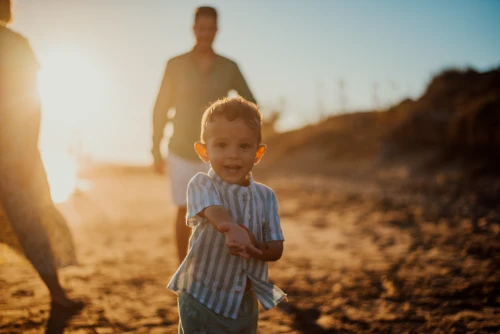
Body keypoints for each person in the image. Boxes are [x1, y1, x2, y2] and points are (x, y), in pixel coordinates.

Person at [167, 97, 285, 334]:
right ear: (204, 152)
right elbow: (214, 211)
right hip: (201, 298)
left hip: (243, 301)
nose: (233, 155)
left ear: (258, 153)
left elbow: (276, 248)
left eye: (244, 146)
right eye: (221, 145)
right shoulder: (202, 184)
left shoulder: (266, 197)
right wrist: (232, 228)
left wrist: (256, 245)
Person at [0, 0, 83, 330]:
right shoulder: (17, 43)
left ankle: (58, 296)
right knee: (31, 224)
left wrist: (24, 152)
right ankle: (58, 295)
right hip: (17, 154)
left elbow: (31, 101)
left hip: (13, 154)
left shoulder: (16, 44)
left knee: (31, 223)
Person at [151, 6, 257, 264]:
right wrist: (155, 148)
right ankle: (183, 269)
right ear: (193, 28)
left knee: (225, 210)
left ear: (217, 30)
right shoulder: (174, 65)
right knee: (184, 210)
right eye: (201, 28)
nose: (205, 33)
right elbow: (161, 108)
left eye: (210, 29)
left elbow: (250, 105)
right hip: (180, 148)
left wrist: (244, 144)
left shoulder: (229, 66)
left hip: (220, 152)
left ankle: (220, 266)